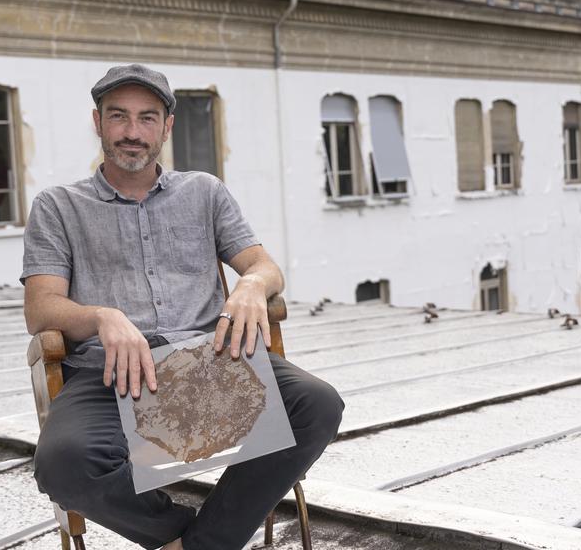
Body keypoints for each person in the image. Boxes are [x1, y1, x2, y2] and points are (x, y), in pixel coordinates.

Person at [21, 63, 343, 550]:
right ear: (97, 122)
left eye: (147, 118)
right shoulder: (57, 206)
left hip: (210, 364)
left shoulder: (205, 192)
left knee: (317, 404)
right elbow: (41, 309)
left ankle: (202, 545)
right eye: (119, 117)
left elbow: (262, 265)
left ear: (167, 126)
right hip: (110, 375)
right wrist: (101, 316)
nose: (133, 132)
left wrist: (252, 286)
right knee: (63, 463)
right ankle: (185, 538)